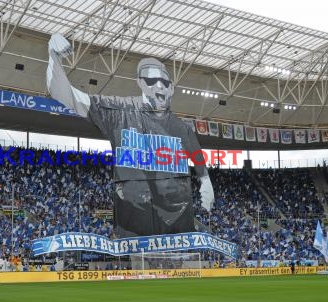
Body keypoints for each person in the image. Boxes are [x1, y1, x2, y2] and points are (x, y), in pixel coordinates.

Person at [46, 33, 214, 238]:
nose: (159, 85)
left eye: (164, 82)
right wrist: (53, 56)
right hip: (134, 230)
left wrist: (205, 179)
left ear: (171, 89)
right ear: (141, 83)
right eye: (151, 80)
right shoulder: (119, 111)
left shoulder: (182, 128)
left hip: (176, 233)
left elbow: (195, 153)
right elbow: (67, 95)